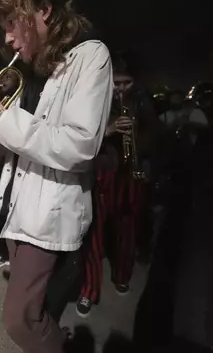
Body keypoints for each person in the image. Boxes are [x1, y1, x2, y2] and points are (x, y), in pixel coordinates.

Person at [0, 0, 112, 352]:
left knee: (20, 320)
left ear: (43, 10)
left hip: (48, 215)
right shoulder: (37, 72)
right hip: (17, 210)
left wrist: (0, 120)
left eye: (12, 24)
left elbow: (79, 145)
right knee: (38, 312)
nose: (8, 38)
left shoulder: (90, 56)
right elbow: (18, 146)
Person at [75, 52, 161, 318]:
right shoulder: (96, 102)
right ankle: (89, 289)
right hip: (103, 174)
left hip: (129, 176)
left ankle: (122, 275)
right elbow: (82, 137)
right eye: (117, 82)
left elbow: (156, 137)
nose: (121, 88)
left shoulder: (144, 103)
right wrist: (109, 130)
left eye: (127, 83)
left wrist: (136, 134)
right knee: (95, 235)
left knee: (127, 231)